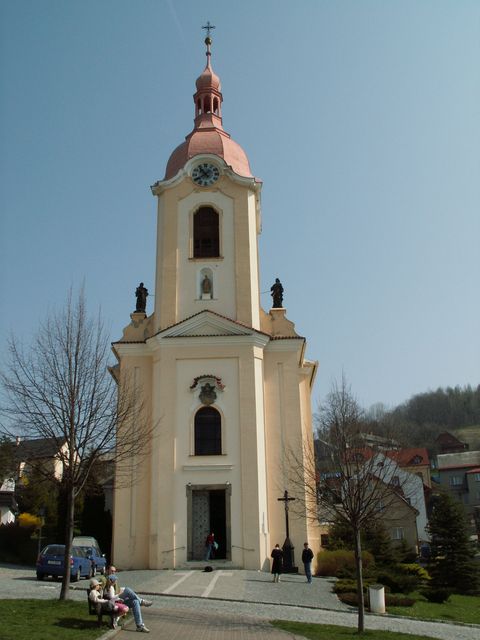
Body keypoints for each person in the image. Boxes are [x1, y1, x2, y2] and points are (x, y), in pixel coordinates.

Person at [102, 566, 152, 633]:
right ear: (107, 570)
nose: (113, 572)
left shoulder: (113, 579)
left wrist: (121, 591)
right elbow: (108, 595)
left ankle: (140, 626)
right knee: (128, 590)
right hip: (113, 601)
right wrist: (120, 593)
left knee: (135, 601)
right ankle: (141, 601)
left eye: (114, 571)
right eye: (112, 571)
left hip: (118, 600)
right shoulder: (105, 579)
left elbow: (116, 590)